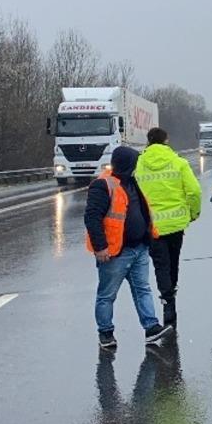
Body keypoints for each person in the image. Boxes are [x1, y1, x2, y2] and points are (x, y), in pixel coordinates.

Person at [85, 146, 173, 349]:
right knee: (107, 295)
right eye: (134, 162)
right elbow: (92, 218)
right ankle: (106, 333)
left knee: (143, 289)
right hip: (115, 253)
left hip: (139, 248)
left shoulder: (132, 182)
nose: (137, 166)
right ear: (127, 164)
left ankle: (151, 327)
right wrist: (100, 247)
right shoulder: (102, 185)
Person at [136, 127, 202, 326]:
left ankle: (167, 300)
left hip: (151, 225)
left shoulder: (139, 163)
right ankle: (171, 290)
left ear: (148, 141)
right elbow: (194, 191)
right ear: (166, 140)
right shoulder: (178, 162)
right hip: (175, 223)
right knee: (173, 261)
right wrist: (193, 213)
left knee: (160, 264)